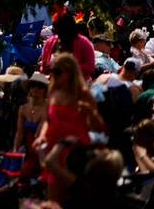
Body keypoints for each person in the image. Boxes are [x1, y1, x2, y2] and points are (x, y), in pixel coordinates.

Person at [34, 52, 104, 204]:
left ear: (70, 72)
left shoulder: (83, 93)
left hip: (74, 150)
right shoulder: (52, 91)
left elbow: (99, 126)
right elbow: (47, 119)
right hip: (54, 147)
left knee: (75, 198)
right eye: (51, 70)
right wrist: (41, 136)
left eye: (57, 71)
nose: (53, 75)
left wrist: (89, 112)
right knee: (53, 199)